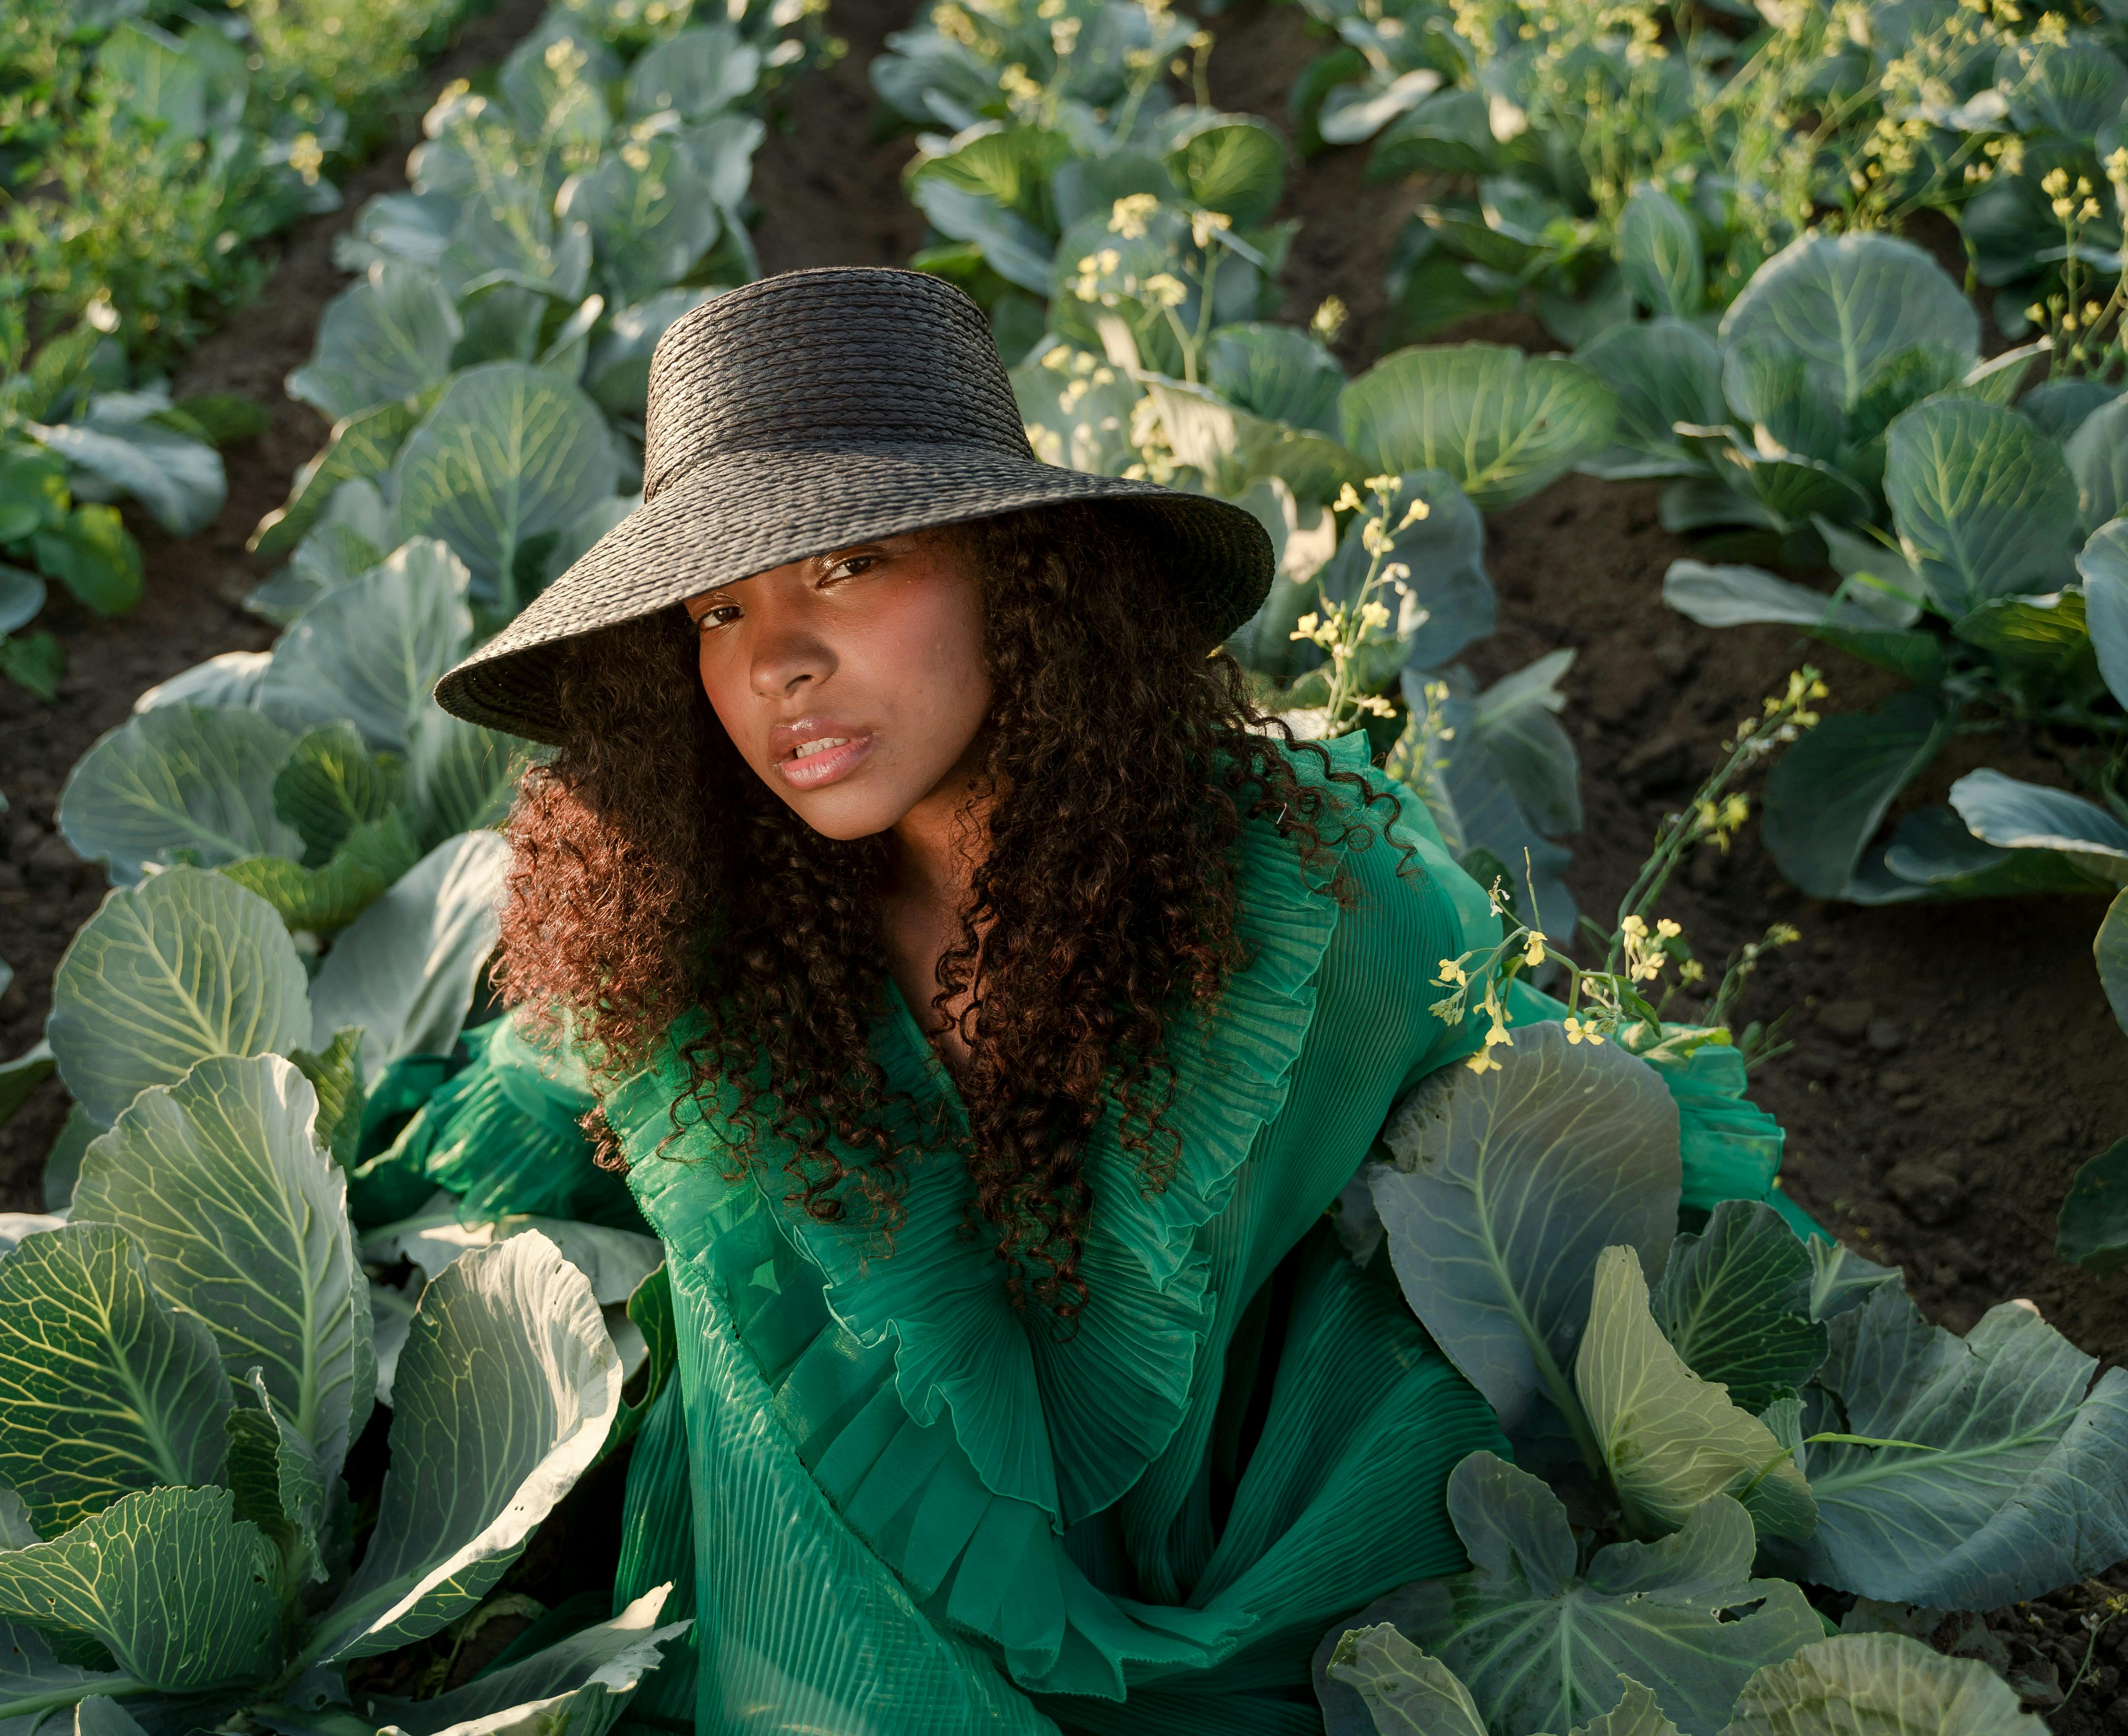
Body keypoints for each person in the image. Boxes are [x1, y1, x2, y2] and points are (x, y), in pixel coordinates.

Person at [407, 266, 1511, 1734]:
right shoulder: (697, 955)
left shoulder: (1332, 903)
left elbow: (1546, 1143)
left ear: (1025, 576)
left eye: (850, 566)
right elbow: (516, 1109)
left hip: (1290, 1593)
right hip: (823, 1664)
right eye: (719, 608)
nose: (776, 663)